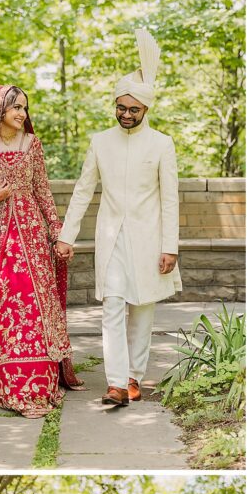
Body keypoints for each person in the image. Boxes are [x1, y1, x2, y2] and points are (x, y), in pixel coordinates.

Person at [56, 29, 181, 407]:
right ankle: (114, 384)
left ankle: (133, 377)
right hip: (110, 238)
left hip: (149, 240)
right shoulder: (99, 141)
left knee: (142, 310)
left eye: (134, 110)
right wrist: (66, 235)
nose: (126, 115)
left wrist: (169, 246)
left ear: (146, 110)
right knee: (112, 305)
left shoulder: (162, 143)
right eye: (121, 108)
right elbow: (83, 191)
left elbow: (171, 198)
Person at [0, 85, 84, 417]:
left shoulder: (32, 144)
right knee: (7, 301)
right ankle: (9, 383)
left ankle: (39, 385)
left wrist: (57, 231)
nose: (22, 114)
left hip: (32, 234)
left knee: (35, 302)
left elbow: (43, 189)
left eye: (25, 108)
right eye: (16, 107)